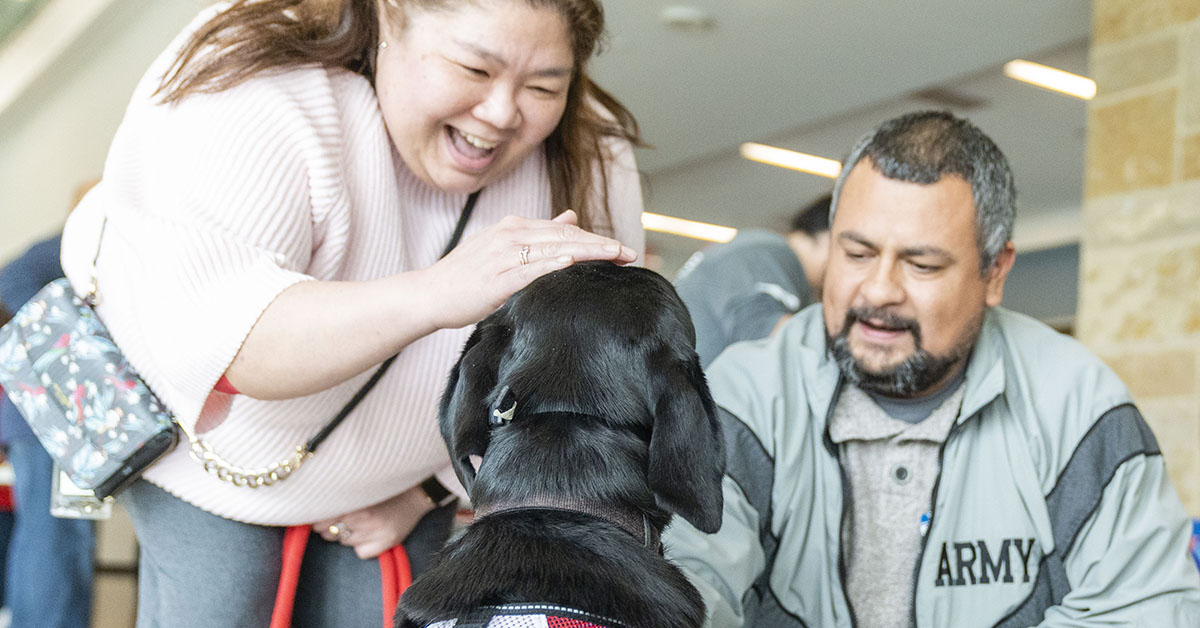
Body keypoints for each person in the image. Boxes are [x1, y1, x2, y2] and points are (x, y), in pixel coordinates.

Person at [59, 0, 644, 625]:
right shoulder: (259, 76)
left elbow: (583, 381)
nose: (502, 113)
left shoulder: (590, 145)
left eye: (542, 86)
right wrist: (444, 289)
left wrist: (432, 490)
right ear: (390, 15)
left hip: (399, 487)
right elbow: (237, 342)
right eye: (474, 69)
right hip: (209, 458)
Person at [663, 111, 1200, 627]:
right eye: (856, 254)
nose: (878, 290)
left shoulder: (1078, 404)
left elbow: (1145, 608)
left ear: (995, 273)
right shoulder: (742, 397)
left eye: (921, 264)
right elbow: (683, 588)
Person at [0, 234, 95, 628]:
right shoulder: (94, 228)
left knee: (53, 539)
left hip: (52, 421)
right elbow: (10, 283)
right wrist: (86, 360)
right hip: (55, 423)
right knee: (60, 541)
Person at [674, 194, 831, 368]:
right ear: (830, 236)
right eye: (856, 254)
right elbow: (762, 332)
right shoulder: (773, 253)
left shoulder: (755, 247)